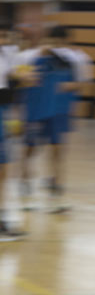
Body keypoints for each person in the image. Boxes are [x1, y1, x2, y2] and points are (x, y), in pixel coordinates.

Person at [19, 25, 91, 213]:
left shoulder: (76, 58)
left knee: (58, 150)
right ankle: (25, 184)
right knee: (31, 149)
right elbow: (22, 79)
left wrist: (69, 86)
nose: (57, 45)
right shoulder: (30, 56)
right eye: (53, 41)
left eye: (61, 42)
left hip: (59, 111)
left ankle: (56, 190)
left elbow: (83, 84)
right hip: (35, 109)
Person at [0, 26, 26, 240]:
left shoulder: (9, 53)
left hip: (5, 111)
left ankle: (2, 220)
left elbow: (20, 77)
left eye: (5, 35)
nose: (3, 39)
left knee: (5, 169)